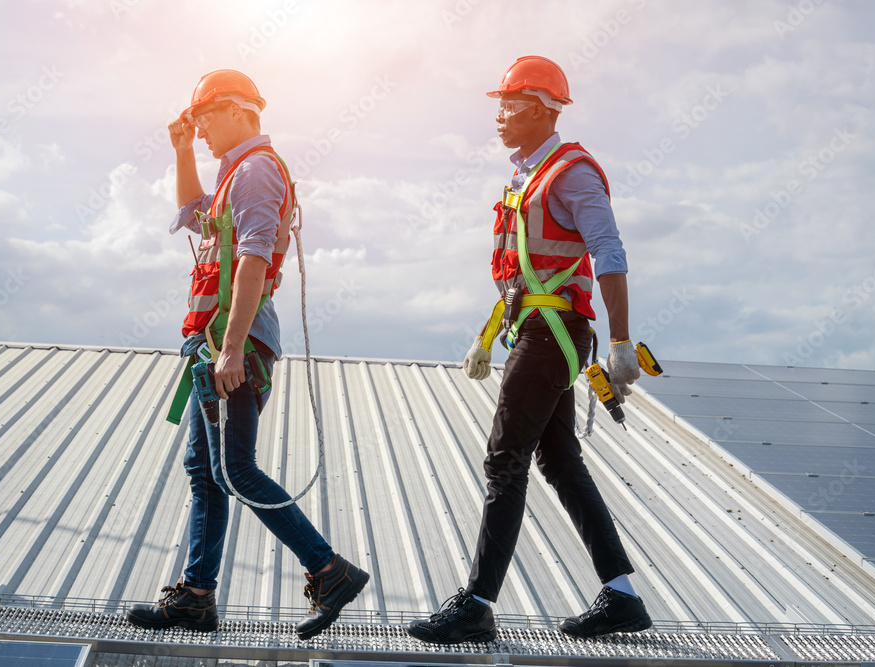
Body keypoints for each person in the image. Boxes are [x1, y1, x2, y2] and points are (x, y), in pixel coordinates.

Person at [406, 56, 651, 643]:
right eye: (498, 106)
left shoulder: (573, 174)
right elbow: (523, 277)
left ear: (544, 110)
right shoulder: (524, 176)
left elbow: (609, 253)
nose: (499, 117)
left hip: (555, 335)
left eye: (510, 107)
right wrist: (487, 335)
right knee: (558, 459)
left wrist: (621, 342)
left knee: (504, 459)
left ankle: (478, 604)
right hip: (535, 330)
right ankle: (622, 596)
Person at [126, 69, 368, 640]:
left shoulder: (257, 171)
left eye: (205, 118)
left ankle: (329, 570)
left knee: (233, 469)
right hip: (213, 341)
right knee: (206, 473)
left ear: (237, 111)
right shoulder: (236, 173)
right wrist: (183, 149)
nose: (201, 128)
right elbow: (192, 210)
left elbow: (255, 259)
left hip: (234, 342)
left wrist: (231, 348)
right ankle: (195, 597)